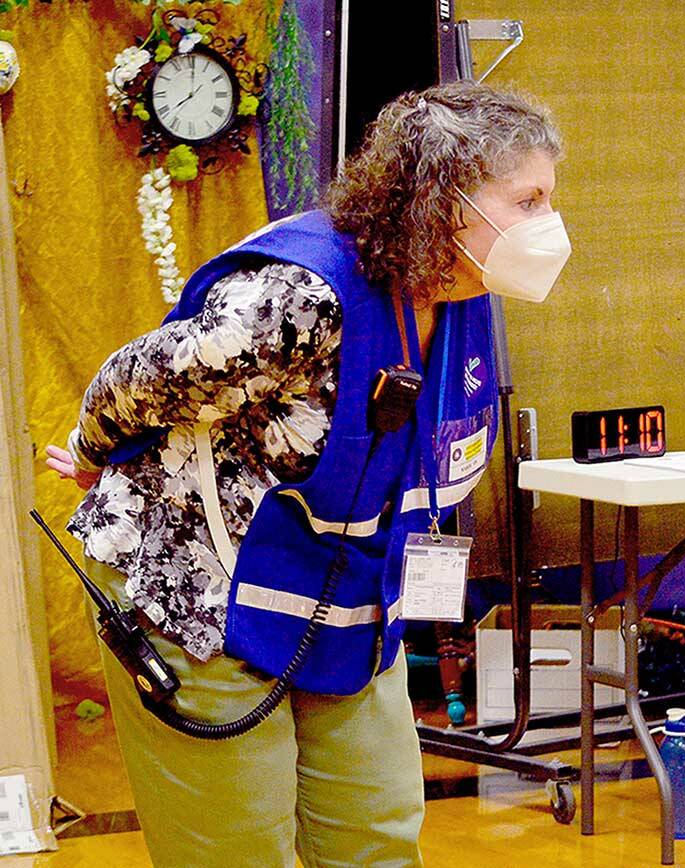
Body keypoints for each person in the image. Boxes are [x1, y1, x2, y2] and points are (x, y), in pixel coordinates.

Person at [42, 81, 570, 867]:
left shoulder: (461, 290)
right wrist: (91, 452)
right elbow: (138, 376)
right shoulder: (297, 296)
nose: (548, 226)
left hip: (344, 597)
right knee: (239, 851)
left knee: (377, 837)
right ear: (442, 196)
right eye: (527, 200)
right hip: (197, 588)